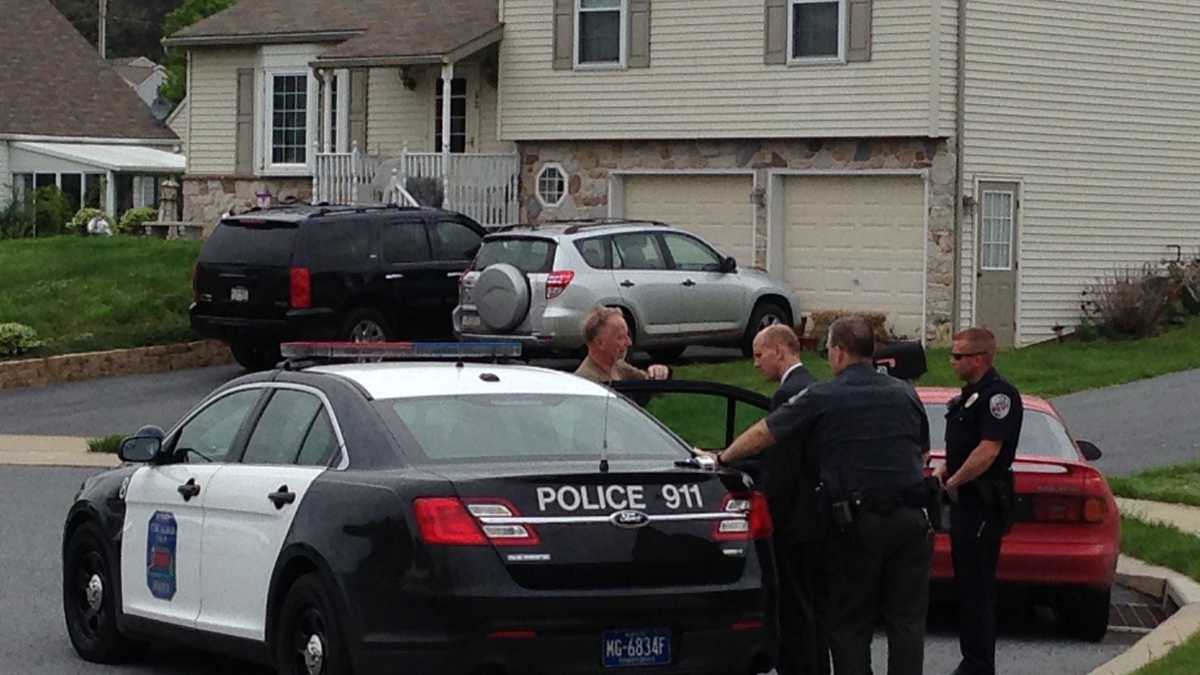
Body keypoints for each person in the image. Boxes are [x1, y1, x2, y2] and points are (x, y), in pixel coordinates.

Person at [714, 316, 932, 675]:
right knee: (906, 624)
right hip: (911, 521)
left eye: (829, 350)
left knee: (850, 624)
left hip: (858, 524)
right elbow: (922, 453)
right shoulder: (904, 393)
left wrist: (721, 458)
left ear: (840, 352)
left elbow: (765, 433)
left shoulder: (824, 395)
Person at [935, 328, 1023, 675]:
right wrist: (947, 468)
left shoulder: (998, 397)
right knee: (967, 585)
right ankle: (973, 659)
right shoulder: (970, 396)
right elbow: (965, 444)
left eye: (958, 356)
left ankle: (978, 664)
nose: (952, 362)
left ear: (980, 358)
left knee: (978, 588)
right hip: (965, 502)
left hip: (982, 503)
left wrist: (954, 482)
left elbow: (989, 450)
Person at [751, 325, 828, 675]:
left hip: (794, 518)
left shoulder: (788, 396)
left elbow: (781, 465)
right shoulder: (816, 386)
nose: (756, 365)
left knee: (794, 605)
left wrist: (767, 507)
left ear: (780, 351)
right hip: (818, 514)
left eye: (759, 354)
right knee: (815, 603)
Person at [574, 307, 670, 383]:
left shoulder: (619, 367)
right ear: (599, 343)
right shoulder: (586, 382)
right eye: (620, 337)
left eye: (627, 335)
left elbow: (650, 386)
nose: (629, 343)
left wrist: (659, 372)